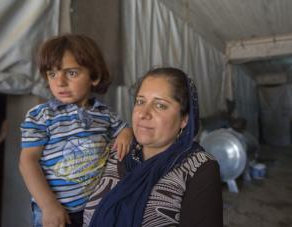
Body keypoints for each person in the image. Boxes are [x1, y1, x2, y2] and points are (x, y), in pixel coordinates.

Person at [84, 67, 223, 227]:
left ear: (184, 119)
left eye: (160, 105)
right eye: (140, 102)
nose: (143, 113)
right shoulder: (116, 150)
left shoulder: (200, 169)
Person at [19, 34, 133, 227]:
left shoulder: (104, 114)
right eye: (52, 74)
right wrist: (49, 206)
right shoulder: (41, 116)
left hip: (95, 209)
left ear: (94, 77)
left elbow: (125, 129)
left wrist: (125, 134)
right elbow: (27, 161)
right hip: (56, 211)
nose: (60, 82)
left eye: (71, 73)